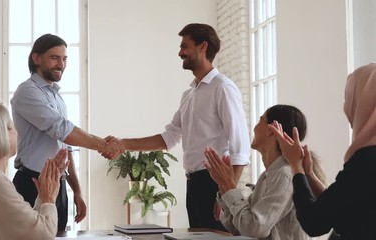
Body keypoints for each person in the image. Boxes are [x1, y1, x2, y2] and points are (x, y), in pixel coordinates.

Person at [103, 23, 251, 230]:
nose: (180, 52)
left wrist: (226, 194)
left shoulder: (223, 88)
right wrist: (122, 144)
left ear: (203, 47)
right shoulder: (189, 95)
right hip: (194, 184)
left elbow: (240, 149)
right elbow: (169, 137)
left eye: (185, 46)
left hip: (215, 183)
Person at [11, 33, 123, 232]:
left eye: (64, 59)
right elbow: (62, 129)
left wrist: (76, 192)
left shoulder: (57, 97)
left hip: (58, 185)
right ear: (36, 58)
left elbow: (65, 148)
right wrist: (104, 145)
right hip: (32, 183)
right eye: (54, 58)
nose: (61, 64)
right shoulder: (27, 92)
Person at [269, 63, 376, 239]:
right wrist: (309, 175)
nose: (345, 107)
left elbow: (314, 222)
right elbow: (340, 207)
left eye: (348, 97)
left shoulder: (366, 161)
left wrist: (296, 166)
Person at [204, 104, 326, 239]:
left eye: (260, 121)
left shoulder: (284, 175)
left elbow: (254, 228)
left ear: (270, 130)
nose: (254, 128)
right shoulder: (267, 176)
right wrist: (224, 186)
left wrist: (229, 187)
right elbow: (238, 228)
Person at [0, 103, 69, 240]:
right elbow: (43, 234)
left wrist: (44, 194)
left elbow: (25, 229)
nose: (16, 132)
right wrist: (49, 198)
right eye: (10, 127)